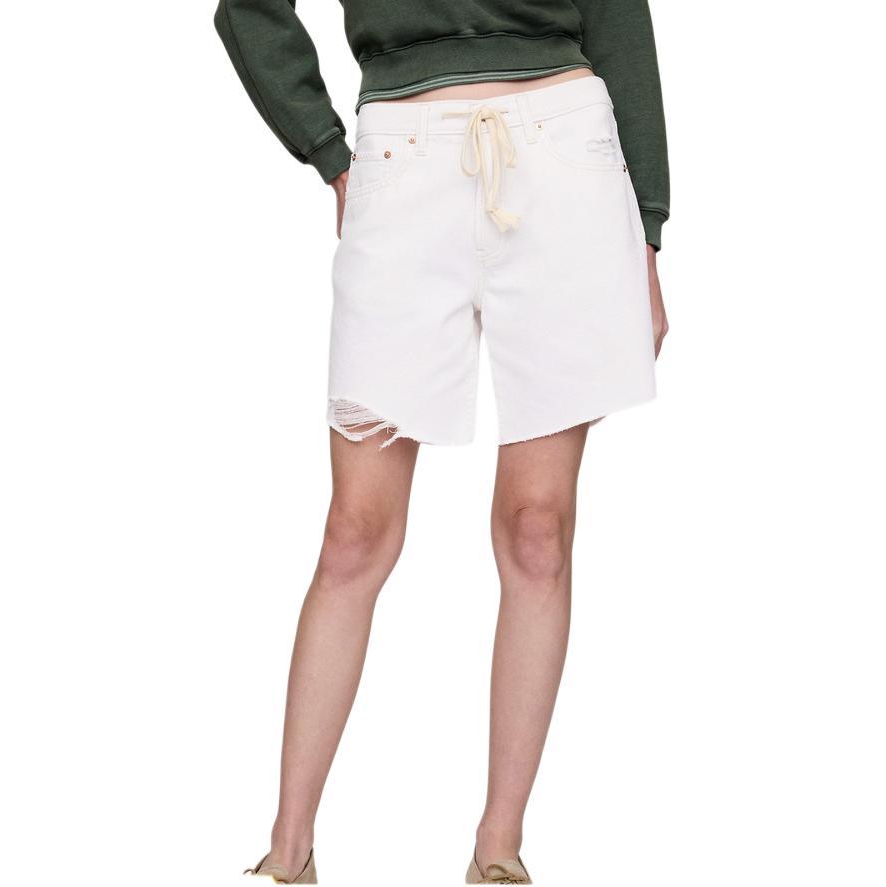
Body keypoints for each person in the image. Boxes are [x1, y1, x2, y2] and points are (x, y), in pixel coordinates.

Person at [215, 0, 669, 882]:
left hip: (565, 153)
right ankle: (289, 851)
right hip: (402, 157)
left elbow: (618, 13)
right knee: (355, 532)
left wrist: (646, 229)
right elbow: (249, 9)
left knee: (537, 529)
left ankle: (497, 849)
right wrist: (325, 150)